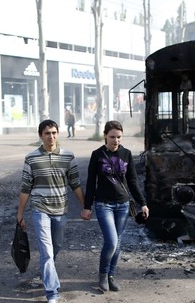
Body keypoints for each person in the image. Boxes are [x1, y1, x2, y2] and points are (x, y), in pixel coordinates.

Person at [16, 119, 90, 303]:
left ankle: (46, 272)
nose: (51, 136)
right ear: (41, 135)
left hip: (60, 210)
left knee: (56, 247)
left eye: (54, 132)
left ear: (58, 134)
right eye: (47, 133)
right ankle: (52, 292)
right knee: (47, 252)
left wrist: (85, 206)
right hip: (40, 209)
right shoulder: (31, 158)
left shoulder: (68, 156)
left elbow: (75, 184)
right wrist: (20, 214)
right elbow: (25, 188)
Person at [83, 120, 149, 292]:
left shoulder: (126, 154)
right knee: (111, 241)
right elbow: (91, 183)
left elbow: (133, 181)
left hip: (123, 204)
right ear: (105, 135)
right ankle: (102, 275)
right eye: (112, 137)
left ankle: (111, 276)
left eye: (119, 137)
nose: (116, 140)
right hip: (103, 204)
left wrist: (143, 203)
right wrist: (87, 206)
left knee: (118, 243)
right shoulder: (97, 155)